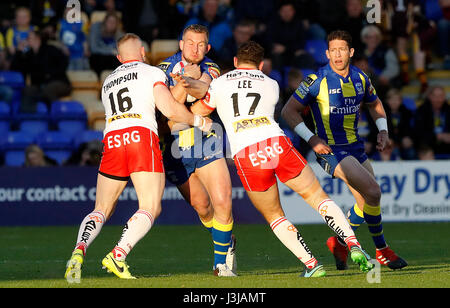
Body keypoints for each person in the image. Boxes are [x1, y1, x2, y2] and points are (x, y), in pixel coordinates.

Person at [174, 40, 374, 277]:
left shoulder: (219, 84)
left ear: (236, 62)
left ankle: (312, 264)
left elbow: (199, 111)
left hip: (248, 154)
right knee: (318, 197)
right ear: (260, 65)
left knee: (275, 215)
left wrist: (185, 100)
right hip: (276, 144)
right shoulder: (271, 83)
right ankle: (353, 244)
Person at [64, 33, 211, 282]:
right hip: (140, 137)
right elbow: (168, 108)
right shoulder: (151, 72)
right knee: (150, 206)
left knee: (100, 208)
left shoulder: (108, 81)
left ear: (120, 58)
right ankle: (117, 255)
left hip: (112, 140)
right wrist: (198, 121)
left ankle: (78, 252)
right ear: (143, 52)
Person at [281, 30, 408, 271]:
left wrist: (383, 130)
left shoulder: (361, 78)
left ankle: (339, 244)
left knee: (364, 201)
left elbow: (375, 103)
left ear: (350, 52)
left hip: (355, 147)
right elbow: (288, 111)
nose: (338, 55)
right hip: (331, 150)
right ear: (327, 53)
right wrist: (312, 139)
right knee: (373, 190)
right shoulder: (316, 80)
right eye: (333, 50)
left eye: (342, 50)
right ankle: (382, 250)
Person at [156, 24, 236, 277]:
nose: (196, 48)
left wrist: (184, 85)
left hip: (208, 140)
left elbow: (202, 89)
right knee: (203, 207)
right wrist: (187, 83)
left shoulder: (212, 67)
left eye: (201, 44)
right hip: (174, 147)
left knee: (223, 200)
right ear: (181, 44)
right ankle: (226, 239)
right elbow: (165, 108)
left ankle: (220, 264)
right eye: (191, 43)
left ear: (208, 47)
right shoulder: (162, 69)